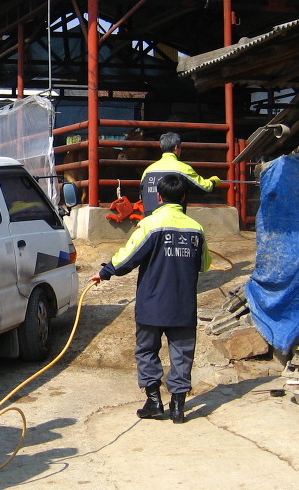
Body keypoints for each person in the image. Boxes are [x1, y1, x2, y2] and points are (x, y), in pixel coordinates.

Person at [90, 174, 210, 424]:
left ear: (158, 197)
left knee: (146, 350)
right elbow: (204, 265)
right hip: (183, 305)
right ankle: (178, 408)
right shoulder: (196, 228)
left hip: (151, 303)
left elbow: (128, 256)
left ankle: (154, 402)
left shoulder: (150, 225)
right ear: (183, 197)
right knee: (182, 354)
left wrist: (105, 272)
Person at [140, 132, 220, 216]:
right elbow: (204, 188)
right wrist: (214, 181)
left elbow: (142, 196)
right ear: (176, 148)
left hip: (149, 220)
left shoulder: (147, 171)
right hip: (174, 219)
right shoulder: (183, 169)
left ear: (161, 147)